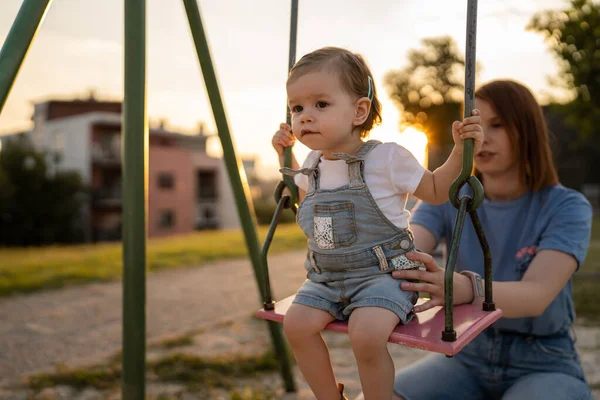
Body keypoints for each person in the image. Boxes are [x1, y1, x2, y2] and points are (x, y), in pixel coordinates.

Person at [271, 46, 483, 400]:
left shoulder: (386, 158)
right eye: (297, 108)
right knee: (296, 325)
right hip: (325, 278)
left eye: (320, 104)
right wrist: (285, 156)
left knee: (366, 334)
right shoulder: (310, 163)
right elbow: (310, 217)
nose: (305, 116)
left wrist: (461, 152)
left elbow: (433, 190)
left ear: (359, 111)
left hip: (383, 277)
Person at [390, 80, 593, 400]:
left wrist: (468, 289)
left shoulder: (566, 206)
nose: (481, 137)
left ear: (527, 131)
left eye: (497, 125)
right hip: (469, 352)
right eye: (475, 125)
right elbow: (406, 249)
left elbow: (536, 295)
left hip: (544, 361)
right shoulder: (448, 197)